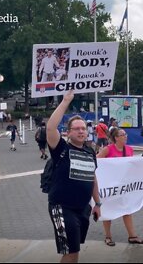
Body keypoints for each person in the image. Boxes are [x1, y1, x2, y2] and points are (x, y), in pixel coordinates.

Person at [46, 90, 101, 263]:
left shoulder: (90, 151)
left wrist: (97, 203)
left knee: (74, 250)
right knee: (69, 252)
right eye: (76, 129)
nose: (81, 131)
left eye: (83, 128)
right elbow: (50, 127)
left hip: (82, 208)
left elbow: (92, 178)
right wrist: (65, 101)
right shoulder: (61, 149)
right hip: (62, 207)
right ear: (68, 132)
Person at [97, 127, 143, 246]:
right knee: (107, 210)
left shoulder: (129, 149)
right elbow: (97, 161)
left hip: (123, 186)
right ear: (116, 138)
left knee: (127, 209)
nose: (126, 136)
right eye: (122, 134)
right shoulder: (107, 149)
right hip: (110, 186)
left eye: (125, 134)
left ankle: (132, 236)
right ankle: (108, 236)